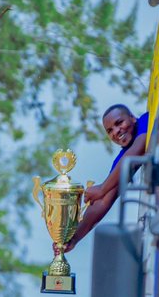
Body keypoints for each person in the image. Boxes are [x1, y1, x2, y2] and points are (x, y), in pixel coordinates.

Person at [63, 104, 148, 255]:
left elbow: (140, 146)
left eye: (119, 123)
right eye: (110, 131)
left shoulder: (146, 120)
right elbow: (103, 201)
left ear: (133, 119)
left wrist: (102, 189)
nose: (116, 131)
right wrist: (73, 237)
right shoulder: (122, 159)